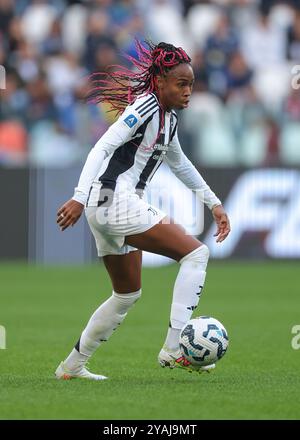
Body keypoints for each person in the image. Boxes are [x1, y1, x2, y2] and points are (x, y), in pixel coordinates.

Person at [55, 41, 230, 380]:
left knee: (126, 294)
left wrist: (214, 203)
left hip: (105, 206)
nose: (188, 91)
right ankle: (175, 348)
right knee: (196, 255)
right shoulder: (146, 105)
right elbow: (103, 145)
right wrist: (78, 195)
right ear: (161, 81)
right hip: (112, 199)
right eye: (181, 83)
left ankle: (71, 367)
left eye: (191, 84)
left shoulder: (169, 120)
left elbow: (181, 165)